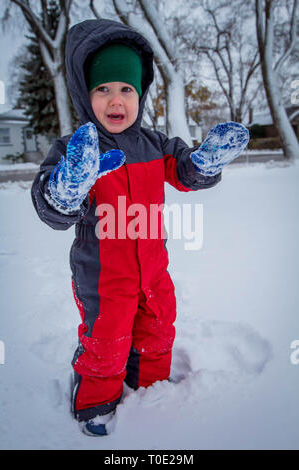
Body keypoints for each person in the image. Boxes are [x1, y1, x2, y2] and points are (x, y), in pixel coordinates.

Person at [31, 18, 249, 436]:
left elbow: (183, 170)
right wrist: (68, 187)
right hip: (102, 274)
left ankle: (150, 389)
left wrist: (203, 164)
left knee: (159, 324)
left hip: (152, 266)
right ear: (85, 93)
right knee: (107, 339)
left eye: (126, 89)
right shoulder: (78, 149)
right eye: (103, 89)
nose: (116, 99)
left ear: (140, 94)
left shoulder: (154, 143)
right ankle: (95, 401)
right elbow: (49, 205)